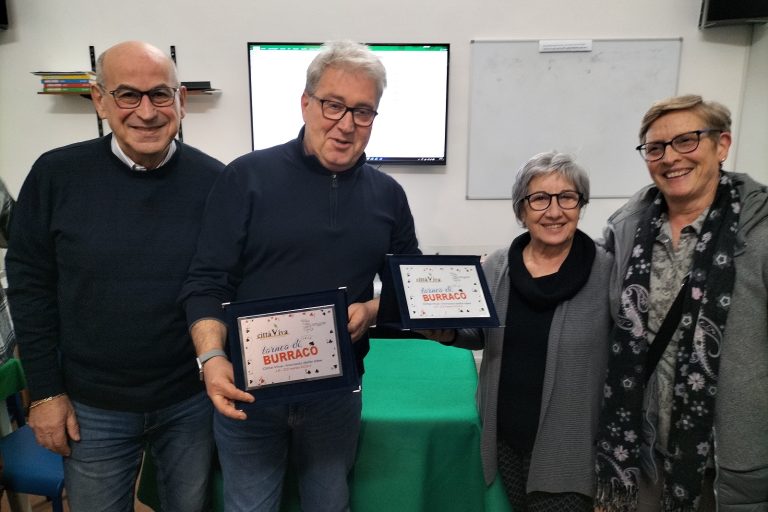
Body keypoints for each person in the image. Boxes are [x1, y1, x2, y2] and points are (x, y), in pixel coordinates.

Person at [179, 39, 420, 512]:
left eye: (363, 111)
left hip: (336, 396)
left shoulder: (389, 196)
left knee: (329, 504)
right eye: (334, 105)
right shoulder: (245, 178)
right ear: (306, 103)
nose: (346, 124)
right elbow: (206, 282)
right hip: (249, 392)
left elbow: (408, 288)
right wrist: (211, 357)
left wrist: (373, 310)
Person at [5, 41, 224, 511]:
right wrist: (45, 392)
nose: (146, 112)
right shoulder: (55, 175)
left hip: (189, 401)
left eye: (160, 94)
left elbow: (226, 283)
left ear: (181, 100)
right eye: (127, 95)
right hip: (92, 407)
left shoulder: (215, 182)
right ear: (99, 100)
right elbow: (29, 287)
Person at [595, 95, 768, 511]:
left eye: (686, 141)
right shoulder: (626, 230)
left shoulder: (759, 233)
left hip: (726, 464)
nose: (670, 158)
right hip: (640, 453)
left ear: (721, 145)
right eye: (656, 148)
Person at [424, 152, 613, 511]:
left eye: (567, 197)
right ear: (521, 210)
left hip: (569, 453)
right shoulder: (497, 266)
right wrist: (445, 332)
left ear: (581, 204)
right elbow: (481, 332)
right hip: (504, 442)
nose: (554, 211)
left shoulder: (607, 272)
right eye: (539, 198)